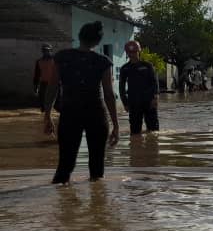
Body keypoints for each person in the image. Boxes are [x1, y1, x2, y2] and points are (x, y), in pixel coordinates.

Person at [44, 21, 120, 184]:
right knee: (97, 168)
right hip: (96, 114)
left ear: (80, 37)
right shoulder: (102, 61)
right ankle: (97, 204)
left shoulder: (62, 57)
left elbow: (52, 87)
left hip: (70, 112)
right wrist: (116, 124)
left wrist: (47, 115)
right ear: (98, 41)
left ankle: (61, 205)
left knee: (65, 166)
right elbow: (108, 94)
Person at [118, 40, 159, 135]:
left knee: (154, 130)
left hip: (149, 101)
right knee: (135, 131)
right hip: (133, 102)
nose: (132, 54)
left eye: (134, 52)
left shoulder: (147, 66)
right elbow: (121, 87)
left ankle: (152, 148)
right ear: (127, 53)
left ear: (138, 51)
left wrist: (155, 97)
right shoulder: (125, 68)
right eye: (129, 52)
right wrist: (125, 103)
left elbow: (154, 82)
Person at [33, 43, 57, 111]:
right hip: (44, 83)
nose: (46, 52)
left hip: (54, 83)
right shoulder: (39, 61)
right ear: (42, 51)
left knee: (55, 101)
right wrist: (36, 86)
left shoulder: (55, 60)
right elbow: (37, 74)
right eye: (45, 50)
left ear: (51, 51)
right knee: (42, 101)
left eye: (48, 50)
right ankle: (45, 116)